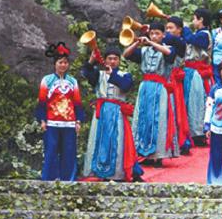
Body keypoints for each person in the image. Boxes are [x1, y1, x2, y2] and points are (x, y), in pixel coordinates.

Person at [80, 46, 143, 182]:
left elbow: (126, 86)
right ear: (105, 60)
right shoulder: (99, 74)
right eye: (110, 59)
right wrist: (91, 61)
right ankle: (99, 171)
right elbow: (86, 74)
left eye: (115, 59)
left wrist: (112, 74)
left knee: (118, 141)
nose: (112, 61)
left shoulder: (125, 75)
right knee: (99, 139)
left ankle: (117, 173)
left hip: (117, 111)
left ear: (119, 61)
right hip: (101, 111)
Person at [123, 22, 179, 166]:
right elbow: (126, 54)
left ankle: (158, 155)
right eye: (152, 33)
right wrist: (137, 43)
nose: (154, 36)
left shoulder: (169, 48)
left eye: (157, 34)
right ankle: (142, 154)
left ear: (163, 35)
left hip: (160, 88)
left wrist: (151, 43)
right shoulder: (144, 51)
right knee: (142, 118)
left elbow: (169, 54)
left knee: (159, 119)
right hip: (145, 87)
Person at [36, 42, 86, 181]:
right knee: (51, 151)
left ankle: (68, 180)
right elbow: (42, 101)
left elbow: (77, 103)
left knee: (69, 152)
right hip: (52, 122)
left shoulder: (73, 81)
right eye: (60, 62)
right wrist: (42, 120)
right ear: (55, 64)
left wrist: (78, 121)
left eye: (65, 62)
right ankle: (48, 179)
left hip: (69, 123)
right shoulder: (47, 80)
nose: (63, 65)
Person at [182, 8, 213, 146]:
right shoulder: (198, 34)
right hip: (191, 72)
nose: (193, 21)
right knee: (191, 103)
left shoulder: (204, 35)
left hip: (198, 74)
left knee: (198, 103)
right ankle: (192, 132)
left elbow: (191, 39)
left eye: (194, 18)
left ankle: (199, 133)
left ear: (201, 20)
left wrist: (185, 28)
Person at [164, 16, 191, 155]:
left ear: (179, 30)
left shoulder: (180, 42)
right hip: (165, 79)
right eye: (166, 28)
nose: (168, 30)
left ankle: (179, 140)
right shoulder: (166, 42)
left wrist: (154, 32)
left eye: (171, 28)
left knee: (176, 109)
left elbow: (171, 39)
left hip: (175, 82)